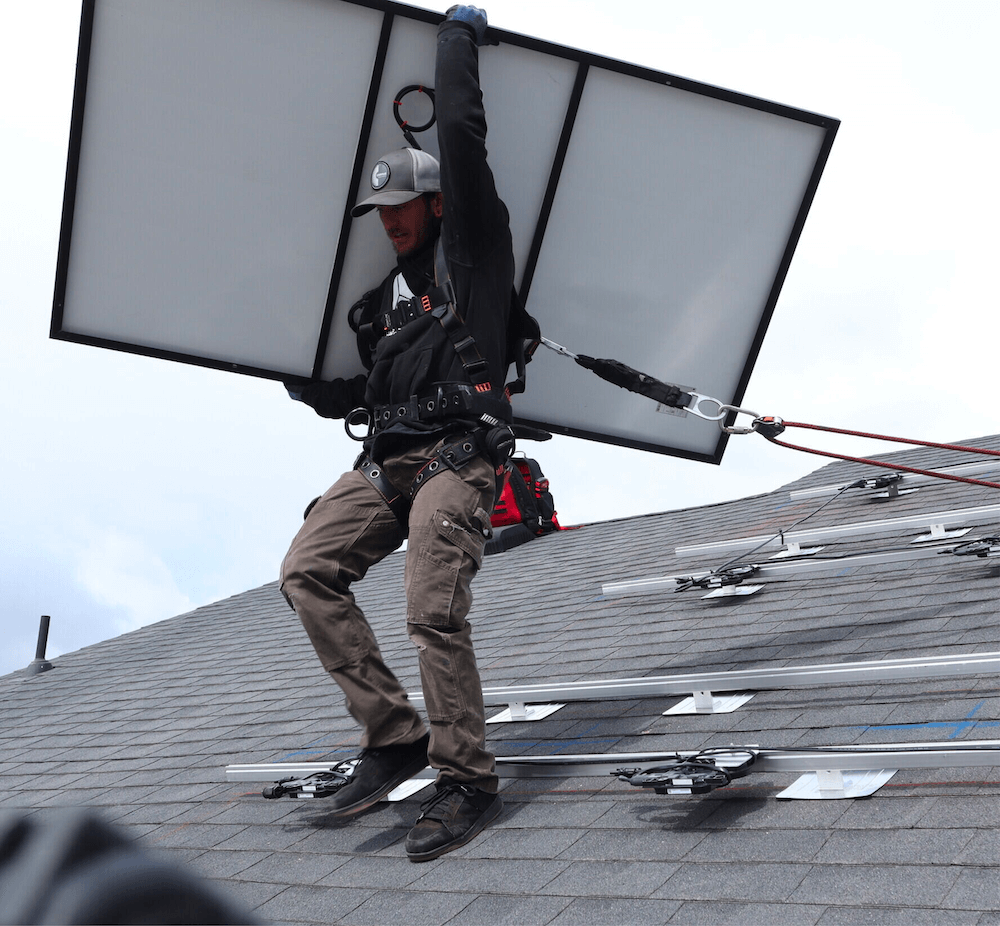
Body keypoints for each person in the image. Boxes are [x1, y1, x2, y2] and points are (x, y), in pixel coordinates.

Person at [280, 5, 528, 862]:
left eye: (402, 207)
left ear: (437, 202)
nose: (389, 221)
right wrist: (311, 385)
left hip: (460, 457)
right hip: (388, 460)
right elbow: (370, 392)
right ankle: (393, 737)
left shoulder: (474, 255)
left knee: (431, 611)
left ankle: (467, 778)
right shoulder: (376, 306)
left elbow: (458, 132)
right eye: (379, 211)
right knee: (307, 571)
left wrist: (456, 40)